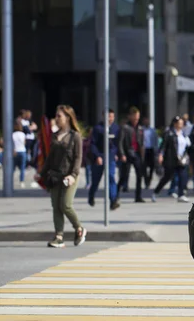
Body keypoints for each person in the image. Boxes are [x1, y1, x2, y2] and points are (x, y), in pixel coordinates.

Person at [37, 105, 87, 248]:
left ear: (68, 118)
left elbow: (78, 158)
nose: (56, 119)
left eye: (59, 116)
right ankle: (59, 237)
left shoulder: (75, 136)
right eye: (56, 116)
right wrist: (41, 173)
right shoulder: (55, 135)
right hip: (55, 176)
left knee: (65, 205)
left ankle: (79, 228)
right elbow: (50, 158)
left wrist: (73, 175)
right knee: (56, 207)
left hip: (70, 176)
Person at [153, 115, 191, 202]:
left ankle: (181, 195)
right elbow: (163, 145)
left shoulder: (183, 134)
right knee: (167, 177)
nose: (181, 125)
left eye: (182, 123)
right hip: (171, 159)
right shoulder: (169, 133)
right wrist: (161, 155)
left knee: (183, 176)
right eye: (179, 123)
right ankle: (156, 192)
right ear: (174, 124)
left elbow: (187, 146)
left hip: (182, 159)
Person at [88, 109, 120, 210]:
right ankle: (91, 196)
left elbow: (117, 143)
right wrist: (97, 156)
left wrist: (116, 153)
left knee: (111, 177)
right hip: (99, 157)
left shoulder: (116, 128)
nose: (110, 119)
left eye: (112, 116)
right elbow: (93, 144)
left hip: (110, 157)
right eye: (108, 116)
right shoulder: (98, 128)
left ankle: (113, 200)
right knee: (96, 180)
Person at [117, 107, 146, 202]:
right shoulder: (125, 127)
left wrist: (142, 153)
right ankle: (115, 194)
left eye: (138, 118)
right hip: (127, 153)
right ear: (130, 117)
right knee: (124, 176)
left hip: (137, 154)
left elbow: (141, 141)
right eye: (135, 118)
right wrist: (122, 154)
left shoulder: (140, 127)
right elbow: (120, 142)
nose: (136, 120)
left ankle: (138, 196)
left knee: (139, 175)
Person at [12, 119, 27, 188]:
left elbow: (12, 144)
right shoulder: (23, 134)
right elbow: (24, 143)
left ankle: (10, 181)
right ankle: (21, 182)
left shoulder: (13, 135)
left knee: (13, 168)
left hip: (15, 151)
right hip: (22, 151)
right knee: (22, 168)